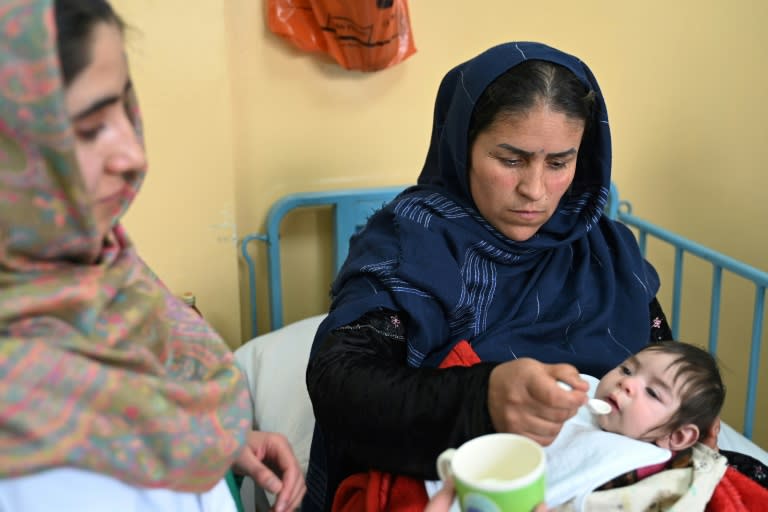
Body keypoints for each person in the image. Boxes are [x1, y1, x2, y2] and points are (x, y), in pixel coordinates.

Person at [302, 41, 675, 512]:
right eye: (510, 159)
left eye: (559, 163)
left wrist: (692, 414)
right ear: (461, 147)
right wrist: (482, 397)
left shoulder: (608, 253)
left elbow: (663, 360)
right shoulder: (407, 246)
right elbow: (342, 383)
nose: (535, 190)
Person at [0, 1, 304, 511]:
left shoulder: (97, 266)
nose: (134, 154)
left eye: (125, 105)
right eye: (89, 127)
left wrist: (214, 442)